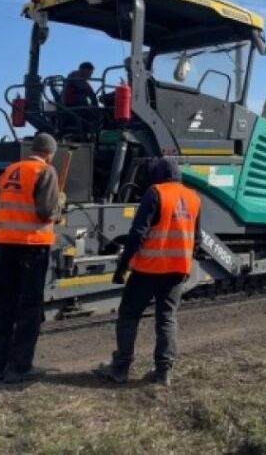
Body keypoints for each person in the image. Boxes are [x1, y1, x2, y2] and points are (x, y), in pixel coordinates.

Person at [95, 157, 201, 386]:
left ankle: (120, 367)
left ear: (158, 175)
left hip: (149, 269)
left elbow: (137, 233)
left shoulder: (156, 193)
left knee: (129, 315)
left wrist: (122, 266)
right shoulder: (193, 198)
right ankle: (163, 372)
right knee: (167, 318)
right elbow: (198, 239)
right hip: (177, 270)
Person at [0, 133, 62, 385]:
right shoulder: (46, 171)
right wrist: (59, 206)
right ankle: (19, 368)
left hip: (4, 246)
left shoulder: (10, 170)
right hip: (31, 247)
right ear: (49, 152)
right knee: (29, 310)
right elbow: (45, 212)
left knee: (4, 308)